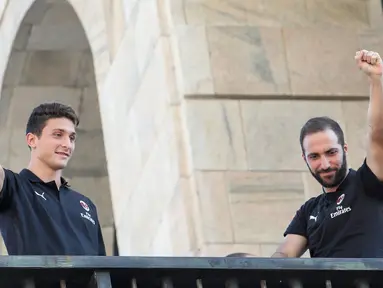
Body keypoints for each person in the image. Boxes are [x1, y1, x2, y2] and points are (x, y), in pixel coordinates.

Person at [271, 49, 383, 258]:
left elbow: (377, 133)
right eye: (314, 156)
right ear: (304, 159)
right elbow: (282, 258)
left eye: (331, 152)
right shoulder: (309, 211)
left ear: (345, 149)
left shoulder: (368, 182)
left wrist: (375, 80)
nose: (325, 164)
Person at [0, 102, 106, 256]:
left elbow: (103, 268)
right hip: (37, 280)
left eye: (72, 138)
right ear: (32, 140)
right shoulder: (14, 187)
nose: (67, 144)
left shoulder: (86, 205)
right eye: (58, 135)